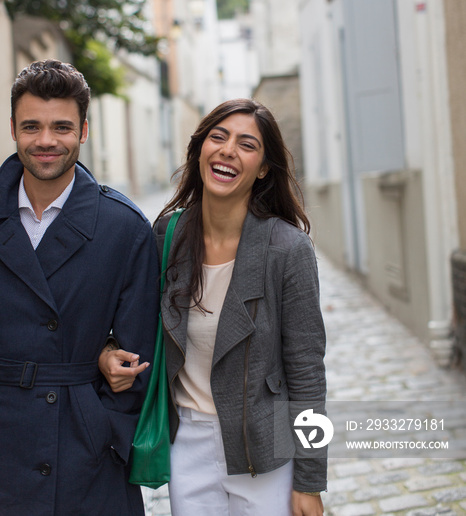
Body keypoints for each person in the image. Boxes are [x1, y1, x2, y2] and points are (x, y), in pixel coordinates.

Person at [100, 99, 327, 516]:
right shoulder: (168, 234)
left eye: (246, 144)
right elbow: (132, 321)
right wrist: (109, 351)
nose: (227, 150)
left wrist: (310, 480)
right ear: (199, 150)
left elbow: (307, 373)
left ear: (262, 168)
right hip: (188, 442)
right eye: (217, 137)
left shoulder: (288, 249)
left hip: (266, 447)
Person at [0, 60, 158, 516]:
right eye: (31, 126)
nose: (46, 141)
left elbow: (137, 356)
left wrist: (105, 435)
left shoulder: (122, 227)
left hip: (86, 458)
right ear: (13, 129)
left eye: (62, 127)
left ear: (84, 131)